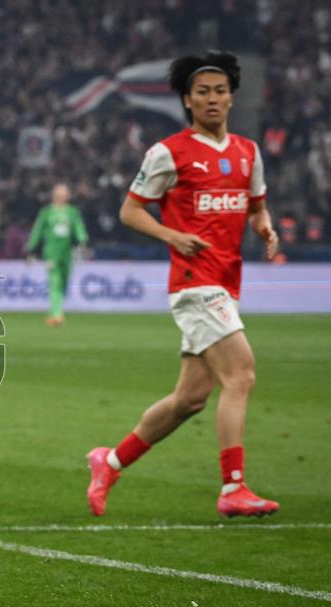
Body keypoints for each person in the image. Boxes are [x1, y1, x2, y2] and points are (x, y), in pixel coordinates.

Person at [86, 52, 280, 518]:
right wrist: (171, 235)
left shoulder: (247, 152)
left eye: (219, 91)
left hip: (227, 282)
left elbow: (256, 206)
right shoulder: (168, 152)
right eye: (202, 92)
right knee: (242, 374)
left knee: (189, 399)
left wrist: (264, 227)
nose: (212, 99)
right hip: (194, 283)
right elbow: (130, 211)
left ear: (232, 97)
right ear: (187, 101)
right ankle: (233, 488)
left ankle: (108, 462)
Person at [26, 183, 88, 326]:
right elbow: (37, 230)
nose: (61, 196)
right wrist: (31, 247)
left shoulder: (72, 212)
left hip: (67, 253)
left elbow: (78, 226)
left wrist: (83, 240)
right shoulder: (46, 212)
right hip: (51, 253)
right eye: (59, 193)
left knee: (64, 283)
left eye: (64, 193)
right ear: (54, 195)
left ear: (68, 196)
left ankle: (57, 310)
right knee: (55, 283)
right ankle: (56, 314)